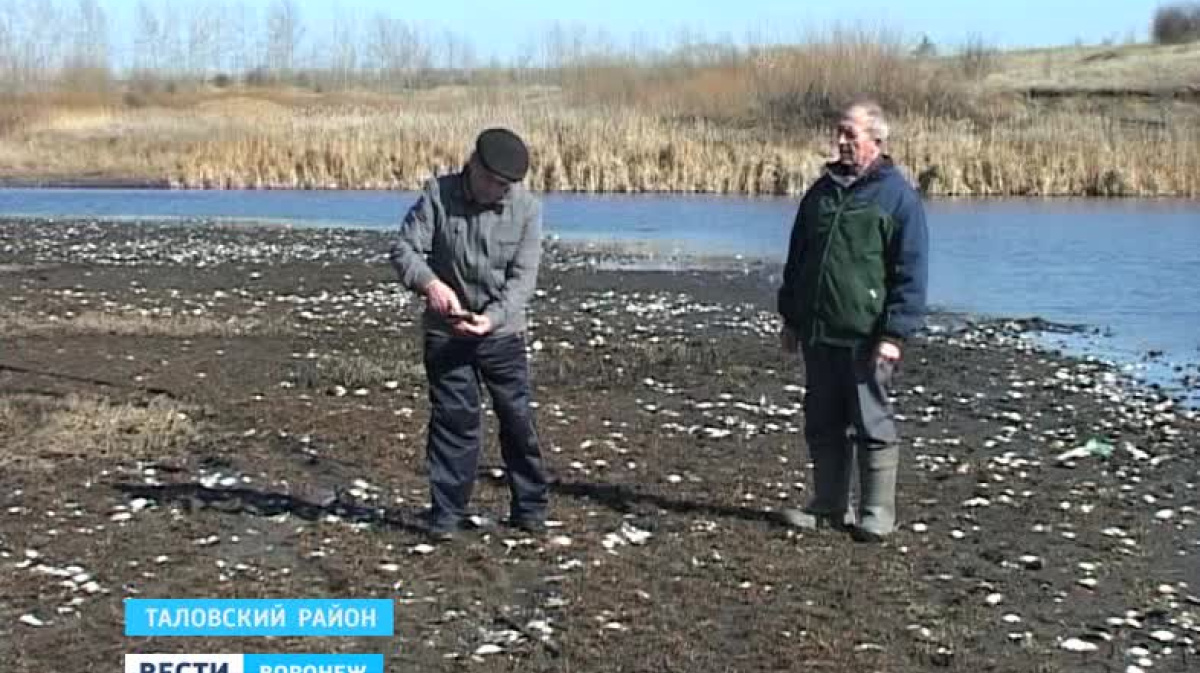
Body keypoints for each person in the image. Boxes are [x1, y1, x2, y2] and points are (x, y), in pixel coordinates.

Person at [776, 101, 930, 543]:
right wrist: (791, 317)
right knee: (822, 420)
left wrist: (894, 335)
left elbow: (912, 271)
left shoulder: (898, 197)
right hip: (819, 331)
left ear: (876, 142)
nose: (842, 141)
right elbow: (798, 259)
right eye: (839, 133)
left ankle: (876, 513)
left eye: (851, 134)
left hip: (867, 336)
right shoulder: (819, 193)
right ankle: (827, 506)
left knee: (871, 421)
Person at [389, 128, 548, 541]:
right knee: (454, 422)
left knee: (517, 419)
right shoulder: (437, 195)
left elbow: (523, 280)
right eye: (494, 181)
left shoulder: (527, 209)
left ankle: (530, 508)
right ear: (473, 164)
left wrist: (491, 319)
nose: (500, 191)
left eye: (508, 185)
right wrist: (430, 285)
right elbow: (405, 249)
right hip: (447, 333)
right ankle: (445, 516)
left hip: (502, 334)